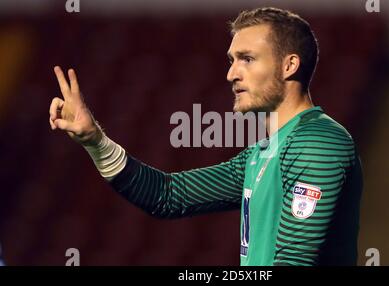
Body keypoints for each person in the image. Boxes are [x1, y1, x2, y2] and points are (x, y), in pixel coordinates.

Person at [48, 7, 363, 266]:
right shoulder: (263, 152)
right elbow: (167, 196)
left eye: (247, 59)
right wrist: (95, 141)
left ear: (289, 65)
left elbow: (294, 261)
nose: (231, 73)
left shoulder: (320, 143)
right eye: (232, 60)